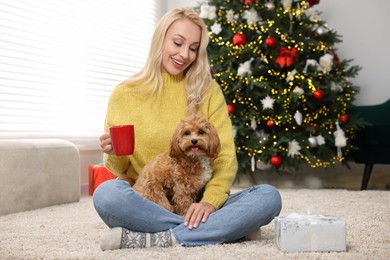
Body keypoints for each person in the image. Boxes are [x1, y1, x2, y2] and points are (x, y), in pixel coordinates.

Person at [93, 8, 282, 250]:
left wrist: (210, 203)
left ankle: (163, 237)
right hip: (149, 203)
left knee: (268, 197)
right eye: (178, 43)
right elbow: (119, 170)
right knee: (106, 195)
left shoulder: (208, 90)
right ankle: (220, 230)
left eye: (193, 48)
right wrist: (113, 151)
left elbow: (224, 158)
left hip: (199, 203)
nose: (185, 54)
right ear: (160, 39)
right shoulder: (124, 94)